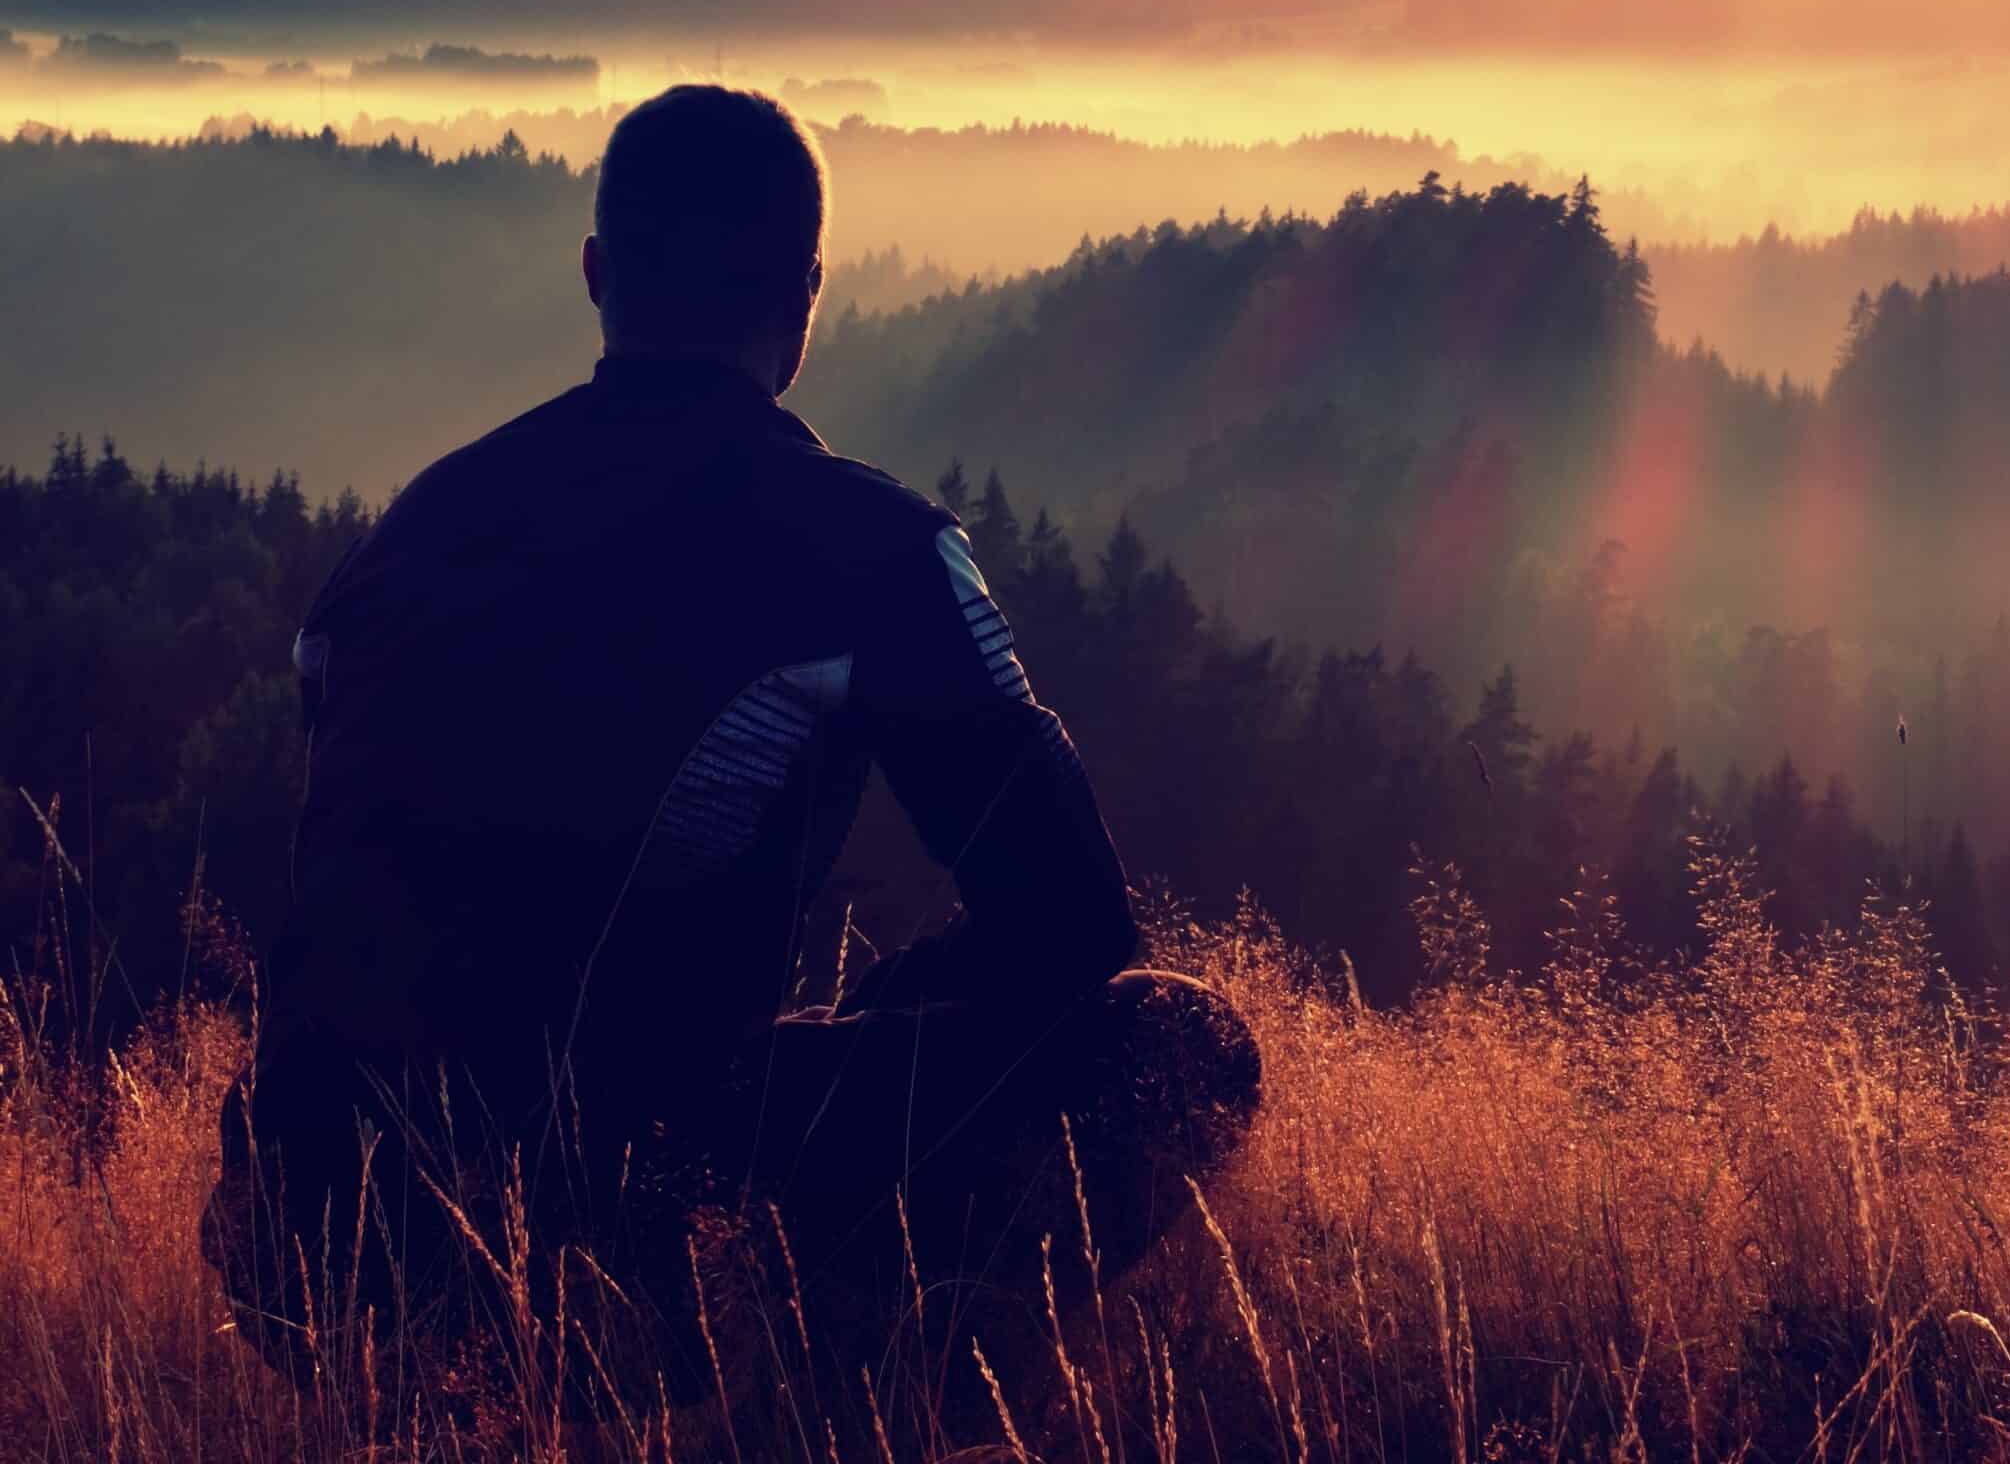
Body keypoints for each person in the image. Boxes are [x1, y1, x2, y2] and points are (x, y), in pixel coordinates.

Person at [203, 83, 1258, 1389]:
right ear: (809, 297)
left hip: (301, 1251)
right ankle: (849, 1402)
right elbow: (1079, 928)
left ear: (595, 274)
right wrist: (885, 1008)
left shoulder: (402, 539)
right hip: (614, 1246)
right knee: (1180, 1048)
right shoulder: (867, 546)